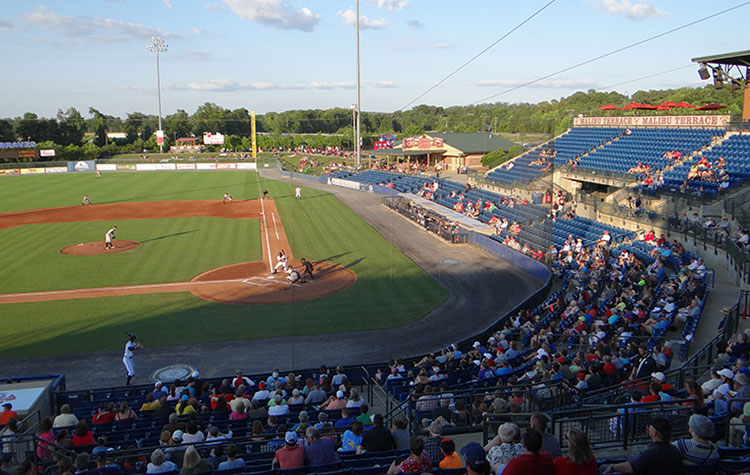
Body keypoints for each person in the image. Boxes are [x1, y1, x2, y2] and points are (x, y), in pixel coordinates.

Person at [604, 417, 682, 474]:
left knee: (603, 468)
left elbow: (630, 468)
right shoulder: (674, 450)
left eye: (650, 427)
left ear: (654, 432)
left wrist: (612, 467)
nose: (648, 429)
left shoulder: (652, 452)